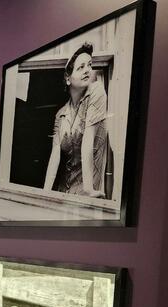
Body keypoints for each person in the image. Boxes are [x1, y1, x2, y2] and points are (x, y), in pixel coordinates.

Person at [43, 42, 108, 198]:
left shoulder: (96, 91)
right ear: (67, 78)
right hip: (63, 193)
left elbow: (88, 138)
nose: (87, 70)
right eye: (80, 67)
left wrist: (88, 189)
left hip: (86, 192)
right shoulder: (61, 114)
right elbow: (55, 155)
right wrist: (44, 194)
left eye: (89, 65)